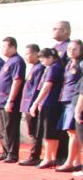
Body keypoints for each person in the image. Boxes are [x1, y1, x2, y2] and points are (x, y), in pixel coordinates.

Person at [29, 48, 65, 168]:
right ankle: (52, 157)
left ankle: (48, 158)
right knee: (52, 133)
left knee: (49, 133)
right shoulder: (55, 67)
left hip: (50, 103)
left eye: (43, 59)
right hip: (52, 103)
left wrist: (36, 102)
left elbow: (46, 86)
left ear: (50, 57)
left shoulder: (53, 68)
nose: (42, 62)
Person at [0, 37, 26, 163]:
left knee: (11, 128)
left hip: (9, 101)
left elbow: (17, 81)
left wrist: (10, 100)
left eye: (5, 46)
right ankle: (5, 151)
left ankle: (12, 154)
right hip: (1, 100)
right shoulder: (8, 61)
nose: (2, 49)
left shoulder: (17, 61)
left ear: (13, 47)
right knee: (4, 128)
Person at [55, 40, 82, 172]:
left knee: (73, 132)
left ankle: (69, 162)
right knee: (70, 132)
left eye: (75, 49)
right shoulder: (69, 63)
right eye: (69, 48)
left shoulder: (81, 64)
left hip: (74, 100)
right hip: (66, 99)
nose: (71, 51)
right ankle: (76, 161)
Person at [18, 44, 44, 166]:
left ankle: (34, 156)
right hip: (27, 104)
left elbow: (36, 89)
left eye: (28, 54)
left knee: (35, 132)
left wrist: (33, 105)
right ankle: (34, 155)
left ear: (36, 54)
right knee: (32, 131)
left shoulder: (40, 68)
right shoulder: (33, 67)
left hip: (32, 105)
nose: (26, 56)